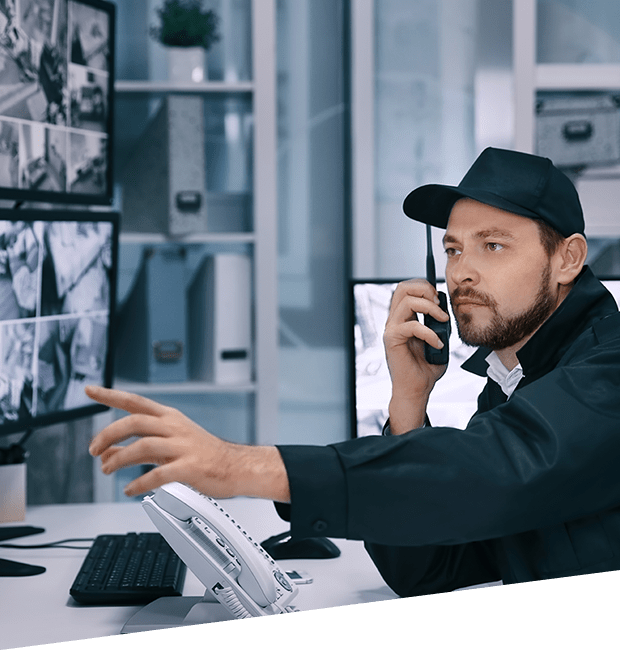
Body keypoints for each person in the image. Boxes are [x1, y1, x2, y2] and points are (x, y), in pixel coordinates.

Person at [87, 147, 620, 595]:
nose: (463, 272)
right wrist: (408, 402)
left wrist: (238, 467)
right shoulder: (514, 380)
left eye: (494, 245)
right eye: (453, 249)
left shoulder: (606, 372)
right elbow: (429, 570)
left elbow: (500, 467)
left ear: (568, 259)